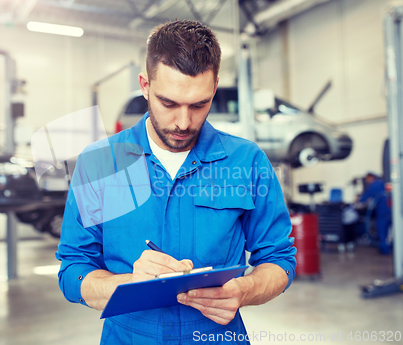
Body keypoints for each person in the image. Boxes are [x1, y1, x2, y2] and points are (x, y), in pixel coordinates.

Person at [56, 20, 296, 344]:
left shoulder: (247, 162)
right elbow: (74, 270)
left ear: (214, 88)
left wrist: (244, 289)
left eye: (199, 105)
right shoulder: (100, 164)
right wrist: (127, 285)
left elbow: (279, 260)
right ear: (145, 85)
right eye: (168, 103)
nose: (183, 122)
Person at [359, 172, 392, 255]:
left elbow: (363, 198)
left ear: (370, 177)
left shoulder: (374, 185)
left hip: (383, 211)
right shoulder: (382, 183)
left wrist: (358, 201)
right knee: (391, 230)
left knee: (382, 231)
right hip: (391, 210)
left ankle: (385, 250)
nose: (367, 181)